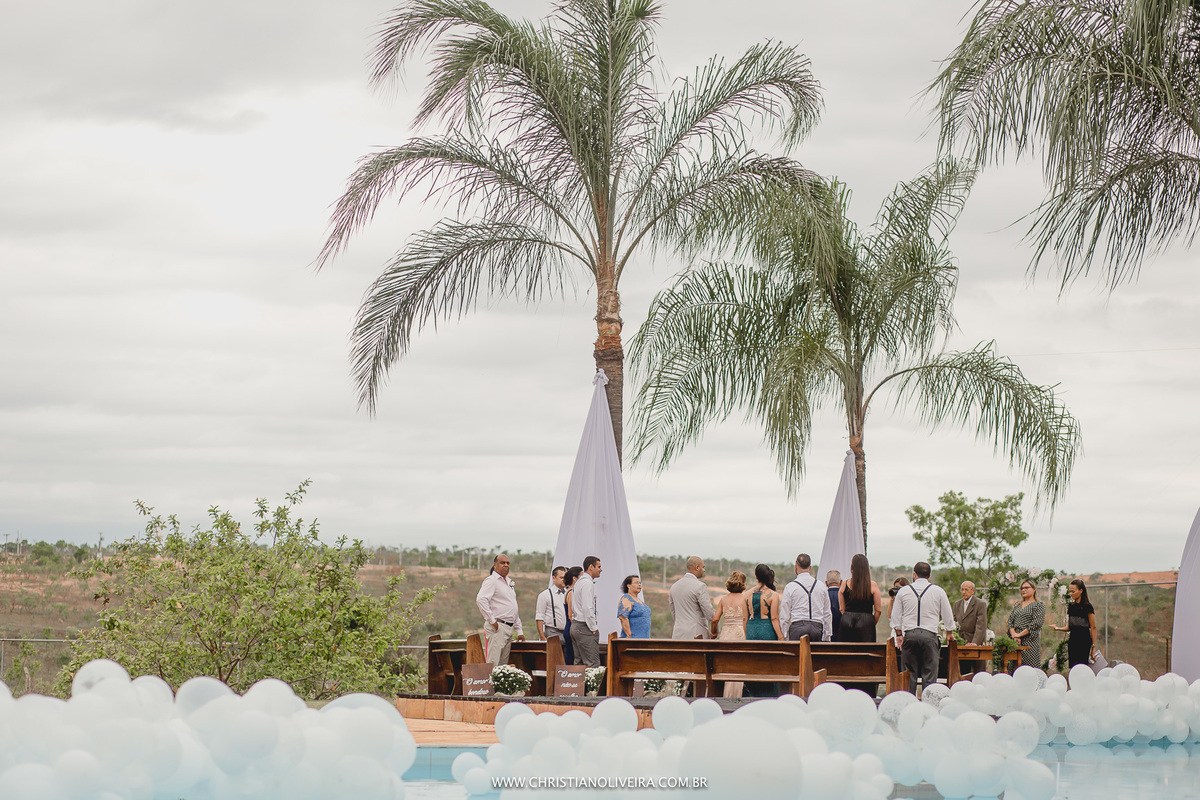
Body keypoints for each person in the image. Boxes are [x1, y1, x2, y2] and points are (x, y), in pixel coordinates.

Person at [889, 561, 956, 696]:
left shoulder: (903, 591)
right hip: (930, 637)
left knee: (909, 675)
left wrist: (899, 634)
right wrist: (949, 632)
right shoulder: (938, 591)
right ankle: (928, 705)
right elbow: (948, 615)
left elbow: (895, 616)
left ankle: (909, 703)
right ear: (929, 575)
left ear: (914, 574)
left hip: (910, 636)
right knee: (930, 676)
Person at [475, 553, 524, 666]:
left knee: (503, 666)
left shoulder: (509, 582)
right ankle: (489, 684)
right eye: (502, 563)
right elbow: (481, 600)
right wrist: (492, 621)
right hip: (498, 626)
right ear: (495, 565)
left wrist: (519, 630)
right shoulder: (491, 580)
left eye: (507, 563)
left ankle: (498, 684)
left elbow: (513, 607)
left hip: (509, 626)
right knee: (493, 664)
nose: (506, 565)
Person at [744, 564, 783, 697]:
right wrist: (781, 637)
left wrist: (746, 634)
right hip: (767, 630)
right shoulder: (774, 595)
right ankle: (770, 695)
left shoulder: (746, 594)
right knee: (769, 663)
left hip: (751, 629)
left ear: (756, 577)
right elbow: (774, 618)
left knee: (752, 663)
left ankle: (753, 694)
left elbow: (745, 618)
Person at [711, 571, 747, 698]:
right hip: (740, 634)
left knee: (726, 665)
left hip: (726, 634)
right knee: (738, 666)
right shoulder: (745, 598)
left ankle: (726, 695)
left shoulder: (723, 599)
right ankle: (737, 696)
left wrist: (713, 632)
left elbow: (715, 619)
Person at [781, 553, 832, 642]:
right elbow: (827, 613)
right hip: (817, 628)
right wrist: (827, 635)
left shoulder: (790, 586)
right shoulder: (821, 586)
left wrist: (785, 635)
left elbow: (784, 615)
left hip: (797, 628)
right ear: (810, 567)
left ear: (796, 567)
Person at [1051, 579, 1098, 668]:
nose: (1071, 593)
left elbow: (1093, 627)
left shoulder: (1088, 607)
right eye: (1070, 591)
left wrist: (1093, 646)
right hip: (1073, 641)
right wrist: (1057, 628)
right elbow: (1069, 627)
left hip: (1084, 641)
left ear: (1081, 591)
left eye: (1073, 591)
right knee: (1073, 667)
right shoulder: (1071, 607)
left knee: (1082, 667)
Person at [838, 554, 881, 642]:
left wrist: (848, 617)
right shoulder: (873, 585)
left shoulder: (844, 584)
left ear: (852, 567)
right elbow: (878, 610)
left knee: (846, 652)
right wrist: (871, 622)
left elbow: (842, 609)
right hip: (867, 621)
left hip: (847, 621)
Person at [669, 556, 712, 640]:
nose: (704, 570)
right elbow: (709, 613)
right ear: (697, 567)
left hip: (678, 634)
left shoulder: (674, 586)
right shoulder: (700, 586)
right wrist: (715, 630)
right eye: (703, 567)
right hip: (697, 635)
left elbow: (673, 613)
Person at [1007, 579, 1047, 670]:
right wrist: (1014, 635)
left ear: (1034, 589)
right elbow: (1010, 622)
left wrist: (1019, 635)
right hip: (1015, 642)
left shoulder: (1039, 605)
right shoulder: (1017, 604)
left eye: (1026, 588)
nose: (1023, 590)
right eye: (1021, 588)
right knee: (1013, 669)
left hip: (1030, 643)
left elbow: (1036, 624)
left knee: (1029, 671)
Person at [571, 556, 603, 667]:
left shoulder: (579, 582)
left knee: (579, 664)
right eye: (598, 566)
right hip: (584, 626)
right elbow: (587, 607)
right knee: (593, 664)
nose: (601, 569)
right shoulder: (587, 583)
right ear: (590, 567)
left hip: (576, 625)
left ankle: (577, 684)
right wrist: (593, 628)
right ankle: (593, 685)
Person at [535, 566, 569, 644]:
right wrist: (542, 636)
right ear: (554, 578)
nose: (564, 580)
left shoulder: (568, 594)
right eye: (561, 577)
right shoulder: (545, 595)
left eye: (565, 577)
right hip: (552, 632)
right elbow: (540, 616)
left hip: (567, 632)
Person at [953, 581, 988, 645]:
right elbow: (954, 622)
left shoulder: (980, 604)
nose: (963, 592)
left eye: (966, 590)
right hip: (959, 642)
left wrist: (974, 643)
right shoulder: (957, 604)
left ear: (973, 591)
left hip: (974, 642)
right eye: (962, 589)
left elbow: (981, 626)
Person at [561, 566, 583, 665]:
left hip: (568, 628)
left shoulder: (568, 591)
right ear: (575, 578)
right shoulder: (571, 592)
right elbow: (571, 614)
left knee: (570, 655)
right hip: (571, 627)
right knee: (572, 656)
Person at [826, 570, 844, 642]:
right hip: (842, 636)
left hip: (827, 637)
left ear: (826, 583)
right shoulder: (844, 596)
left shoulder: (823, 596)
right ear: (841, 582)